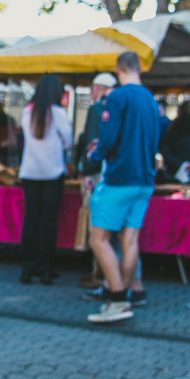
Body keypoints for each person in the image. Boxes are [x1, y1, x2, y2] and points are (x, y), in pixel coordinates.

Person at [84, 51, 160, 324]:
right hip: (144, 179)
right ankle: (121, 298)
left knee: (98, 238)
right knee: (129, 241)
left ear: (117, 69)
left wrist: (94, 155)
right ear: (139, 68)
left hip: (119, 179)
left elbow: (108, 138)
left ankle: (117, 299)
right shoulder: (150, 99)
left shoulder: (117, 97)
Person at [18, 74, 74, 285]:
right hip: (52, 172)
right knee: (49, 221)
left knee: (31, 219)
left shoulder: (27, 111)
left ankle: (26, 268)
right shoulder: (58, 113)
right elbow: (68, 141)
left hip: (29, 172)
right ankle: (47, 270)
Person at [74, 72, 117, 289]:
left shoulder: (98, 109)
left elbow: (92, 143)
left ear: (100, 88)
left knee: (98, 230)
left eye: (93, 87)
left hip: (99, 173)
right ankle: (106, 275)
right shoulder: (120, 107)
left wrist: (86, 170)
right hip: (114, 174)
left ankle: (100, 274)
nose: (91, 92)